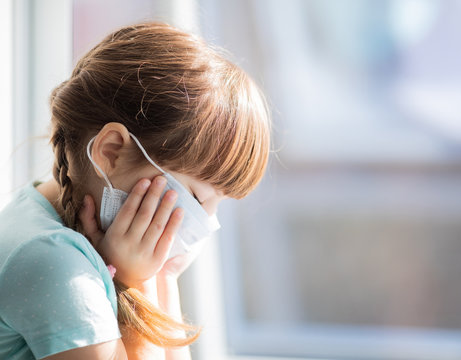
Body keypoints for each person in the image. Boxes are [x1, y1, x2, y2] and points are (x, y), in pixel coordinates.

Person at [0, 22, 271, 359]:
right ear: (111, 150)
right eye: (198, 198)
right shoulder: (57, 264)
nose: (206, 222)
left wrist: (161, 274)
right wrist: (134, 282)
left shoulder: (40, 209)